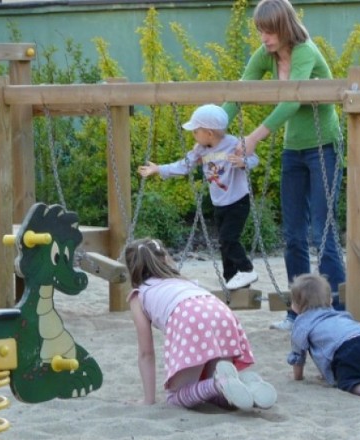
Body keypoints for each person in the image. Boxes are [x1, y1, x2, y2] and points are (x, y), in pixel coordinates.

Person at [222, 0, 346, 330]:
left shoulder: (305, 51)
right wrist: (213, 129)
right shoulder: (267, 55)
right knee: (292, 234)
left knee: (323, 230)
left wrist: (253, 137)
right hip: (294, 150)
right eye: (260, 31)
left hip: (324, 147)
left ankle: (336, 309)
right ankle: (298, 312)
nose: (263, 37)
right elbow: (241, 92)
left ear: (285, 27)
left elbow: (292, 100)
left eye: (269, 30)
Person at [123, 237, 277, 411]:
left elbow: (146, 353)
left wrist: (148, 399)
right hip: (221, 312)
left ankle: (220, 384)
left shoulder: (139, 294)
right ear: (165, 259)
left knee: (176, 397)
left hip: (190, 318)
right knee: (212, 392)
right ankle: (249, 388)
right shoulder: (184, 282)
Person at [138, 104, 259, 291]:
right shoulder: (201, 150)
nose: (193, 135)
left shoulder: (234, 144)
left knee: (229, 238)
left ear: (209, 133)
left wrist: (243, 162)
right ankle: (232, 279)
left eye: (196, 131)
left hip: (238, 201)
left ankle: (246, 269)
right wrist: (158, 169)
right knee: (223, 243)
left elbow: (254, 159)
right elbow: (184, 166)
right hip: (220, 202)